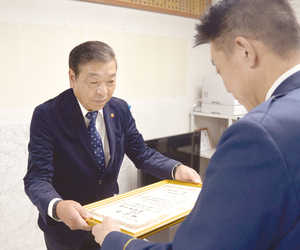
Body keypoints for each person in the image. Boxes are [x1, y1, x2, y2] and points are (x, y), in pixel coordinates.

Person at [91, 0, 300, 249]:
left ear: (246, 51)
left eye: (220, 71)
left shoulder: (258, 133)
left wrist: (116, 241)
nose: (228, 88)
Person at [23, 40, 201, 250]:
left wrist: (175, 169)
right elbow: (36, 178)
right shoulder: (48, 115)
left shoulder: (120, 108)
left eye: (111, 81)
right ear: (72, 77)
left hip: (109, 222)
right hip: (66, 231)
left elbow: (141, 153)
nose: (103, 91)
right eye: (93, 82)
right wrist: (58, 207)